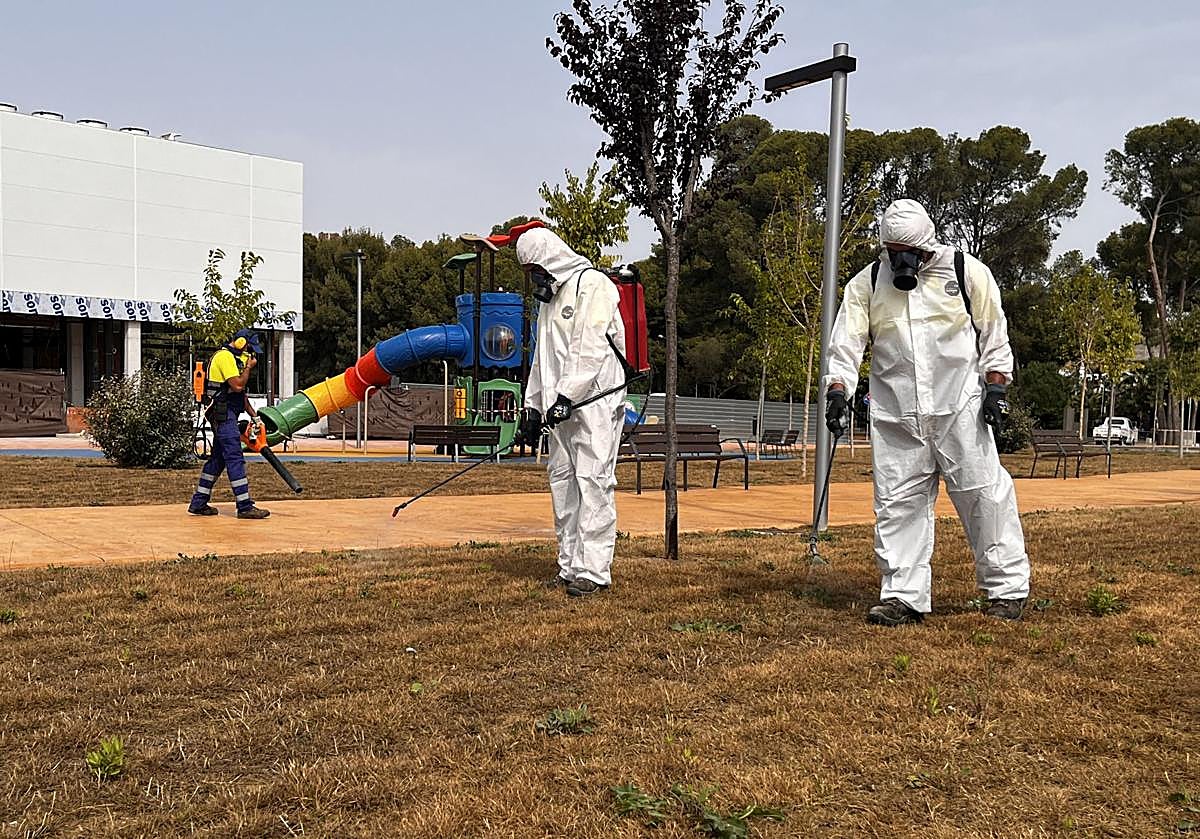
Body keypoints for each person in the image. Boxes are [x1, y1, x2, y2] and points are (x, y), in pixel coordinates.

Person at [823, 199, 1030, 625]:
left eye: (910, 253)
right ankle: (903, 595)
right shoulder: (867, 284)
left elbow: (994, 332)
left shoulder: (966, 272)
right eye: (894, 251)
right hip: (897, 416)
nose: (902, 261)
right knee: (897, 505)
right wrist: (838, 390)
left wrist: (996, 387)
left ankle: (1006, 590)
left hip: (960, 409)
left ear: (927, 245)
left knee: (984, 497)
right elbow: (846, 342)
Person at [514, 228, 627, 598]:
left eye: (535, 269)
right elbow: (542, 359)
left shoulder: (593, 285)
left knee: (593, 481)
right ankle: (568, 565)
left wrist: (568, 394)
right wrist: (532, 406)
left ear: (551, 258)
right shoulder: (549, 302)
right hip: (559, 410)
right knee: (563, 482)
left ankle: (593, 571)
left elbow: (589, 346)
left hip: (594, 404)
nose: (535, 278)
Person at [187, 328, 271, 519]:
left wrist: (254, 416)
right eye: (249, 347)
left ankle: (198, 503)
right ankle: (245, 506)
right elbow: (238, 385)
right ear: (241, 342)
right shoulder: (225, 358)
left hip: (227, 413)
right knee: (235, 457)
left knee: (218, 460)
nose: (250, 353)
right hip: (222, 415)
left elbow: (240, 395)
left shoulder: (234, 359)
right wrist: (248, 368)